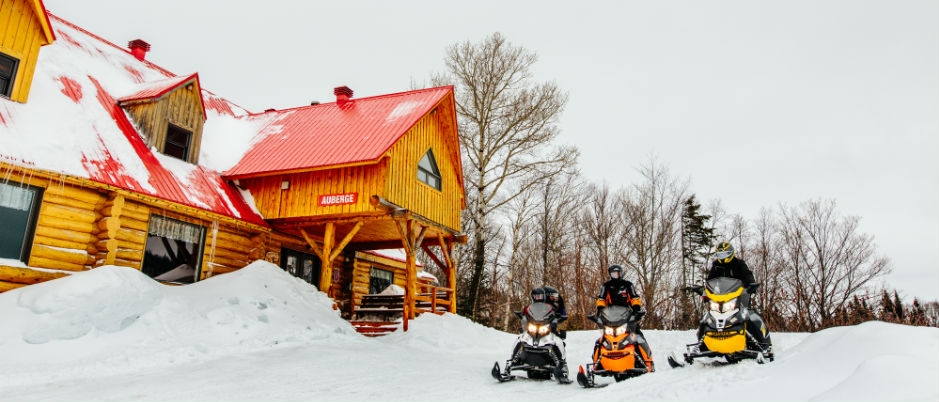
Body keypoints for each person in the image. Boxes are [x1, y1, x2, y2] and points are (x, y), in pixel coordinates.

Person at [703, 242, 773, 356]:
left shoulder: (739, 263)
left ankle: (763, 344)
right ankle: (702, 345)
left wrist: (751, 285)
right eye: (720, 255)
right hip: (721, 298)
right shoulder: (716, 265)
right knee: (708, 318)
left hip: (739, 297)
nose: (722, 258)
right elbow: (710, 279)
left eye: (724, 254)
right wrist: (705, 290)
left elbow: (747, 274)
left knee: (748, 316)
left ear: (731, 253)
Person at [595, 264, 653, 371]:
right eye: (613, 273)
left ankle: (648, 361)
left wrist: (636, 308)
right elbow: (601, 299)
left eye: (618, 273)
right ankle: (596, 365)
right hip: (611, 317)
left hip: (628, 315)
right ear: (610, 274)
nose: (616, 275)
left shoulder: (627, 285)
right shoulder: (606, 286)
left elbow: (635, 297)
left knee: (638, 336)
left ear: (621, 273)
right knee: (601, 340)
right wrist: (599, 311)